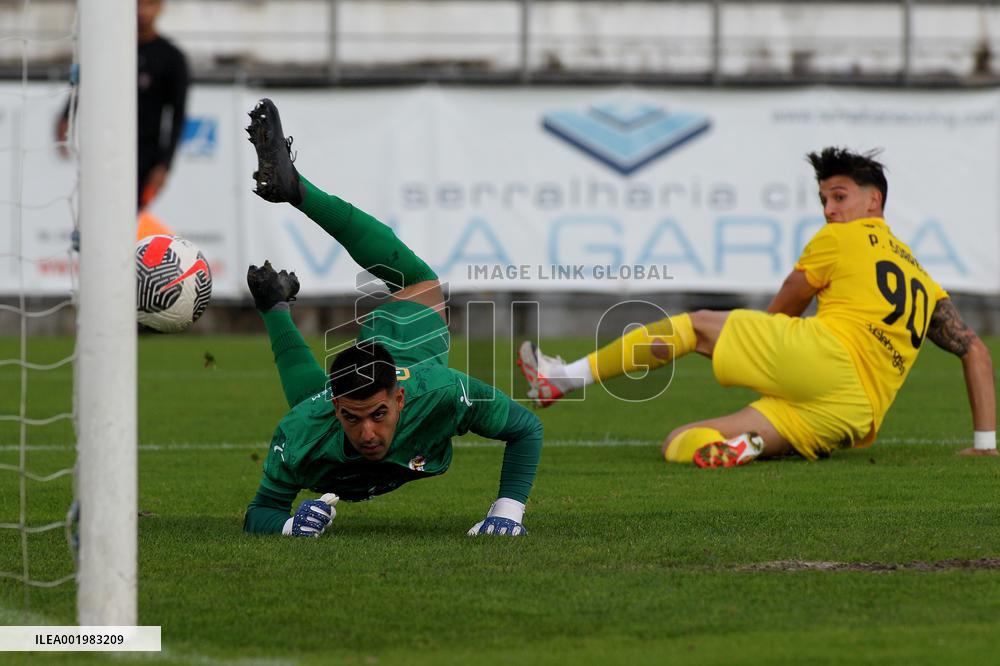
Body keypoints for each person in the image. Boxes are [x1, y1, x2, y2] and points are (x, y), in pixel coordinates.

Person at [519, 148, 996, 468]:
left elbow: (785, 306)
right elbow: (973, 349)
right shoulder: (922, 279)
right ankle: (745, 447)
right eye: (824, 199)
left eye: (839, 196)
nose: (829, 209)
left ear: (876, 200)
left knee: (698, 326)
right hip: (853, 416)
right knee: (681, 441)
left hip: (826, 361)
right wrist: (984, 445)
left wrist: (761, 349)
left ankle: (561, 379)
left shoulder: (841, 237)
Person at [242, 99, 542, 537]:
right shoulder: (304, 428)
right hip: (345, 394)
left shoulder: (440, 393)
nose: (366, 432)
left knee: (416, 282)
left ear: (399, 399)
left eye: (378, 414)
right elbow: (259, 513)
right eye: (352, 417)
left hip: (405, 344)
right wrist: (290, 526)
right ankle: (279, 278)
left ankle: (295, 205)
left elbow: (526, 429)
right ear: (336, 407)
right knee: (413, 282)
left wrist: (506, 513)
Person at [56, 0, 189, 210]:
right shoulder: (110, 49)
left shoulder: (172, 58)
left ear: (161, 7)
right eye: (139, 4)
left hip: (145, 154)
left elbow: (178, 114)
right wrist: (66, 116)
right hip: (104, 147)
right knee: (96, 211)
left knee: (132, 215)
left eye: (150, 4)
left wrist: (165, 165)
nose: (143, 11)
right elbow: (86, 84)